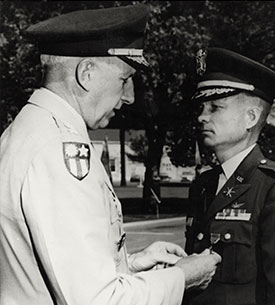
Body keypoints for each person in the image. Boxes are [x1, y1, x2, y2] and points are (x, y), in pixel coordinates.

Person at [0, 5, 221, 305]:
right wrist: (183, 276)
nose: (130, 96)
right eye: (124, 79)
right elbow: (98, 301)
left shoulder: (28, 131)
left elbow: (53, 271)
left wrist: (132, 263)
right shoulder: (59, 150)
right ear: (87, 74)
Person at [184, 47, 275, 305]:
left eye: (215, 107)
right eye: (201, 107)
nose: (201, 117)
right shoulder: (204, 185)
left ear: (251, 117)